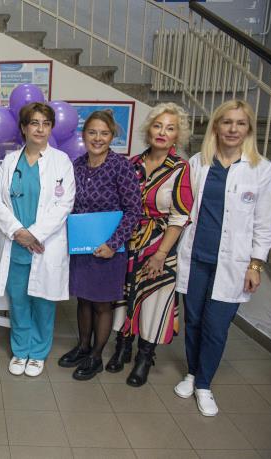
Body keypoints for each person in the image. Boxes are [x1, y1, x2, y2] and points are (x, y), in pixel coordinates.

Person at [173, 99, 271, 416]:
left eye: (240, 123)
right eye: (227, 122)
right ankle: (192, 373)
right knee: (193, 321)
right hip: (196, 257)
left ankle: (204, 384)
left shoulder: (260, 168)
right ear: (216, 126)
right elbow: (183, 209)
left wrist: (256, 264)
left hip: (233, 264)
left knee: (216, 327)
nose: (233, 129)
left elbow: (264, 223)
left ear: (248, 128)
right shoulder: (198, 162)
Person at [107, 103, 194, 387]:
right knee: (124, 296)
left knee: (153, 300)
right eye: (158, 126)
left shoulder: (180, 168)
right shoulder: (133, 163)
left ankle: (145, 356)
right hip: (129, 241)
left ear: (177, 135)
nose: (162, 132)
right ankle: (123, 346)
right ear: (149, 129)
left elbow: (180, 216)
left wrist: (161, 254)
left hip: (160, 245)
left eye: (170, 128)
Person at [0, 102, 75, 377]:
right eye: (34, 123)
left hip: (44, 245)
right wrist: (18, 232)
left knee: (43, 302)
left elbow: (64, 204)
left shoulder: (61, 161)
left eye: (46, 123)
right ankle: (20, 350)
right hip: (15, 244)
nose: (40, 129)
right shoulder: (10, 161)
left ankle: (37, 353)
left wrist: (34, 234)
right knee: (19, 301)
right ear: (24, 128)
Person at [58, 110, 142, 380]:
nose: (98, 138)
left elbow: (134, 211)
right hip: (82, 247)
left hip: (109, 250)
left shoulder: (121, 166)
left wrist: (113, 243)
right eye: (92, 132)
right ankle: (83, 347)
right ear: (83, 135)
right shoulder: (77, 165)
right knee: (83, 300)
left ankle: (95, 356)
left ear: (112, 136)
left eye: (104, 133)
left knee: (102, 305)